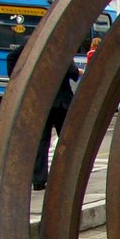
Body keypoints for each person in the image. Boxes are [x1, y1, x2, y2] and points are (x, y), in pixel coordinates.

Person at [33, 58, 80, 191]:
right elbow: (74, 73)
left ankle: (38, 180)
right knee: (67, 141)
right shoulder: (62, 54)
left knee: (42, 142)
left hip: (44, 103)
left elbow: (12, 56)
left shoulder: (39, 56)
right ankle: (66, 175)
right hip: (61, 103)